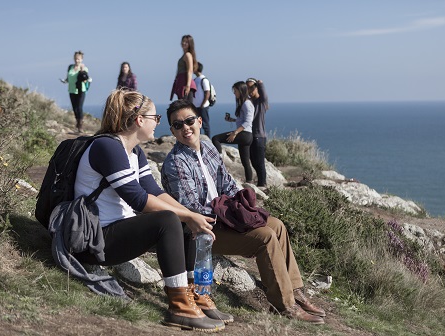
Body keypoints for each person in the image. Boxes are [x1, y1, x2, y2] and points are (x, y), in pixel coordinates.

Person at [72, 89, 230, 332]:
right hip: (94, 240)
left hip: (116, 233)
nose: (158, 124)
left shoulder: (134, 152)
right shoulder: (107, 147)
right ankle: (179, 307)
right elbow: (137, 199)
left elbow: (155, 191)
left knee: (181, 218)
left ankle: (194, 294)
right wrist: (186, 215)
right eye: (155, 118)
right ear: (139, 120)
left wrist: (191, 216)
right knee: (168, 220)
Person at [161, 99, 326, 324]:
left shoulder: (208, 146)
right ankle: (285, 306)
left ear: (199, 121)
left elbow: (226, 182)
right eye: (177, 125)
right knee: (265, 238)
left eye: (189, 121)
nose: (185, 128)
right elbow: (193, 209)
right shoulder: (175, 162)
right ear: (172, 131)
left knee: (276, 225)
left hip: (221, 216)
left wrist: (241, 205)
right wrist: (231, 215)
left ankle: (295, 291)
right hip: (200, 231)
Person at [211, 81, 254, 184]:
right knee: (245, 161)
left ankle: (219, 161)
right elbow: (242, 120)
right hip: (247, 136)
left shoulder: (247, 104)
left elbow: (248, 121)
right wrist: (231, 119)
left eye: (235, 91)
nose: (234, 93)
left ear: (241, 90)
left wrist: (235, 133)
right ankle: (249, 182)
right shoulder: (244, 103)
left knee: (215, 139)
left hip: (244, 134)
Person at [246, 78, 269, 188]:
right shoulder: (249, 102)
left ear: (256, 88)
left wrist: (260, 83)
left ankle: (263, 184)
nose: (249, 90)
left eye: (251, 87)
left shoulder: (261, 102)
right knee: (253, 160)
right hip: (250, 135)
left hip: (259, 136)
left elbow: (264, 94)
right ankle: (260, 182)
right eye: (247, 87)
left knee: (260, 162)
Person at [62, 50, 89, 133]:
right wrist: (65, 80)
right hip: (71, 89)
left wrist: (81, 71)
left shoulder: (84, 68)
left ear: (81, 59)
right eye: (75, 59)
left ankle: (80, 125)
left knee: (79, 107)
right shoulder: (70, 67)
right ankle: (77, 123)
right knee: (74, 108)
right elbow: (68, 77)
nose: (77, 60)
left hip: (81, 89)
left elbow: (85, 78)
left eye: (78, 59)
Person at [170, 35, 197, 103]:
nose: (183, 43)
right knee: (183, 105)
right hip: (181, 82)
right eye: (183, 41)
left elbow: (190, 70)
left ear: (190, 44)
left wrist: (188, 85)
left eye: (186, 42)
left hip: (185, 83)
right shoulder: (184, 55)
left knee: (186, 106)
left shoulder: (188, 55)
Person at [193, 62, 211, 137]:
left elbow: (207, 92)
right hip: (196, 106)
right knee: (197, 124)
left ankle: (208, 140)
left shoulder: (203, 79)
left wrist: (202, 104)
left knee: (205, 124)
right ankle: (198, 138)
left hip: (203, 106)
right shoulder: (195, 79)